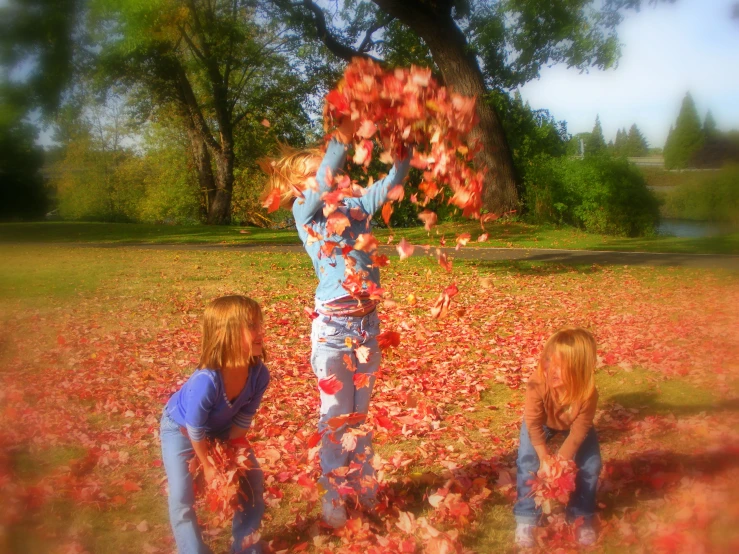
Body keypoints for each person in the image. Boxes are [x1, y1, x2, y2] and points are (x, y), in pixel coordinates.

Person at [262, 119, 411, 528]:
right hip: (333, 331)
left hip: (366, 326)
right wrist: (342, 140)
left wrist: (403, 150)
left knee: (359, 417)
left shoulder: (356, 209)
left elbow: (391, 181)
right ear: (299, 188)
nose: (329, 178)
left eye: (329, 172)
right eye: (316, 175)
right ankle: (333, 494)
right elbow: (325, 176)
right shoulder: (305, 214)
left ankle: (362, 489)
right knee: (334, 417)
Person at [160, 295, 270, 554]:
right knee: (181, 494)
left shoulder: (258, 374)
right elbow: (194, 427)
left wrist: (233, 457)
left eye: (259, 324)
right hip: (181, 430)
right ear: (226, 334)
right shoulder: (206, 381)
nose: (260, 331)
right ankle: (192, 549)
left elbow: (243, 418)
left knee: (252, 479)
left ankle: (244, 544)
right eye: (252, 326)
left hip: (222, 428)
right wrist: (208, 465)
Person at [514, 327, 602, 548]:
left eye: (559, 367)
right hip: (541, 423)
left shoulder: (587, 394)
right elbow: (532, 423)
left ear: (578, 370)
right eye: (547, 361)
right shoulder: (538, 383)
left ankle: (581, 515)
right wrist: (544, 457)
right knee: (527, 460)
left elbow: (579, 430)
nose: (551, 370)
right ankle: (526, 517)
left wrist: (561, 461)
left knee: (591, 464)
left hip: (572, 426)